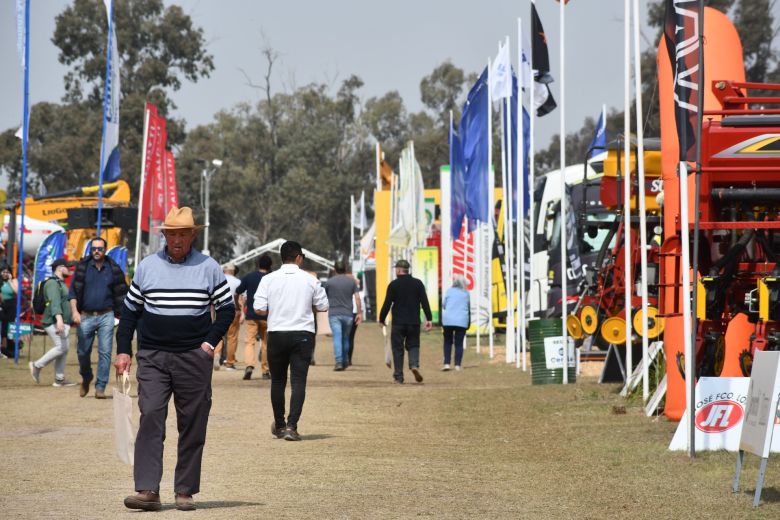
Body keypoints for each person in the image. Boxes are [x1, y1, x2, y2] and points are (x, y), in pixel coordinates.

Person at [115, 207, 234, 512]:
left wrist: (209, 344)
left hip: (194, 357)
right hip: (153, 356)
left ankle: (185, 490)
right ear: (164, 235)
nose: (178, 239)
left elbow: (227, 309)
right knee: (151, 414)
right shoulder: (147, 267)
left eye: (183, 233)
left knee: (193, 422)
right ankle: (147, 490)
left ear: (193, 235)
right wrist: (124, 350)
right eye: (172, 234)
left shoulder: (209, 267)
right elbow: (130, 311)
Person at [254, 241, 328, 441]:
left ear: (281, 257)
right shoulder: (310, 279)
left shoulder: (269, 279)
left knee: (277, 381)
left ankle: (279, 425)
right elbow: (323, 305)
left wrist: (277, 309)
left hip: (277, 332)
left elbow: (259, 308)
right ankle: (292, 426)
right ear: (299, 258)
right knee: (298, 382)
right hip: (302, 334)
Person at [69, 236, 128, 399]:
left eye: (100, 249)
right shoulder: (82, 267)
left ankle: (100, 387)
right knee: (82, 352)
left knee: (105, 352)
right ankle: (86, 376)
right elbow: (72, 292)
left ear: (105, 250)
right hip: (85, 316)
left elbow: (122, 293)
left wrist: (123, 315)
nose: (96, 251)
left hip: (106, 316)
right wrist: (74, 312)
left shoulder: (113, 268)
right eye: (93, 248)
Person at [378, 259, 432, 384]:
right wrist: (429, 318)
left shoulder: (394, 285)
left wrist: (382, 319)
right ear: (408, 270)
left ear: (398, 270)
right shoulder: (418, 284)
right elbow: (424, 302)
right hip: (414, 322)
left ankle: (399, 376)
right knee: (413, 345)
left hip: (398, 322)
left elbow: (387, 304)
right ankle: (414, 365)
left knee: (397, 348)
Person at [29, 259, 77, 387]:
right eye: (68, 267)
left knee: (64, 348)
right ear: (60, 268)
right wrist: (59, 320)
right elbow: (54, 302)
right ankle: (36, 365)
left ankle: (59, 379)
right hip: (54, 321)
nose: (70, 269)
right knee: (62, 347)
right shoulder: (52, 283)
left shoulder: (60, 283)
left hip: (62, 321)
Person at [235, 254, 272, 381]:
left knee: (249, 342)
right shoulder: (272, 278)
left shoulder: (249, 276)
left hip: (251, 315)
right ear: (270, 266)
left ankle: (249, 366)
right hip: (267, 316)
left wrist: (236, 304)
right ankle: (265, 371)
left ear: (258, 264)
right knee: (266, 344)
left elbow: (237, 292)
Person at [325, 260, 361, 371]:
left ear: (334, 269)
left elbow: (323, 297)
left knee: (337, 337)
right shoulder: (351, 282)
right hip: (348, 314)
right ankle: (345, 360)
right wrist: (359, 312)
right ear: (345, 269)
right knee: (346, 338)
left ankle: (339, 361)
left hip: (334, 314)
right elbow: (357, 298)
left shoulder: (329, 282)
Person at [213, 263, 242, 371]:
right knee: (232, 337)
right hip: (233, 310)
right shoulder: (238, 282)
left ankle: (217, 354)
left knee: (218, 334)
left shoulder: (217, 281)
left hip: (218, 309)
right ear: (233, 271)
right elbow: (241, 298)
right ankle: (229, 363)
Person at [441, 275, 470, 371]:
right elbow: (468, 306)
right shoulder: (466, 294)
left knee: (447, 342)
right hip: (461, 321)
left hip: (448, 320)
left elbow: (444, 305)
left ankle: (447, 364)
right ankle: (457, 365)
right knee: (459, 343)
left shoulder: (449, 291)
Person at [0, 262, 19, 358]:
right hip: (2, 305)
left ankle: (12, 348)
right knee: (3, 327)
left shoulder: (13, 280)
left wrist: (10, 281)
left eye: (7, 272)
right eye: (3, 272)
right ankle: (3, 347)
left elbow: (17, 291)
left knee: (10, 326)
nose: (5, 274)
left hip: (11, 305)